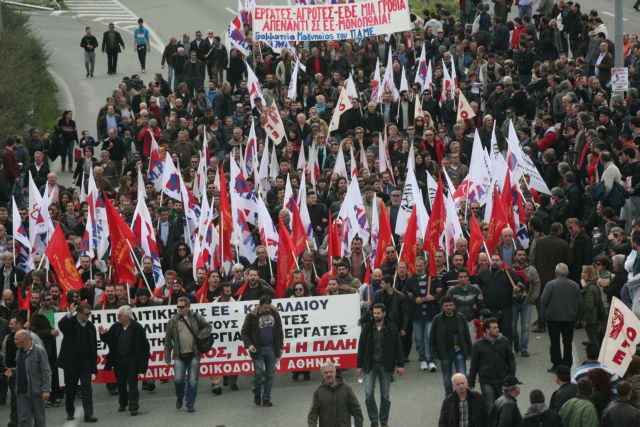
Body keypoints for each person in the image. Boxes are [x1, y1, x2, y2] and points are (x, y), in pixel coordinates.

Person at [357, 303, 405, 427]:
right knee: (368, 394)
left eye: (378, 313)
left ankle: (383, 420)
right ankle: (374, 420)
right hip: (370, 366)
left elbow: (398, 347)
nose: (376, 315)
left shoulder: (391, 328)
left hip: (386, 366)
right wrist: (359, 366)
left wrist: (400, 365)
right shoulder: (367, 327)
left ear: (384, 313)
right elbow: (361, 346)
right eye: (374, 313)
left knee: (385, 395)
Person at [98, 305, 150, 416]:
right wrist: (103, 334)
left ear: (126, 317)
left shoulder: (137, 327)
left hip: (132, 360)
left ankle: (134, 407)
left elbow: (144, 345)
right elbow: (108, 339)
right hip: (118, 361)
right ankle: (123, 403)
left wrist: (144, 360)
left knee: (133, 385)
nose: (118, 317)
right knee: (120, 384)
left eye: (119, 315)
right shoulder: (116, 326)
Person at [164, 296, 212, 413]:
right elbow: (168, 339)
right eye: (178, 307)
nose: (179, 309)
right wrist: (167, 355)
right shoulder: (173, 321)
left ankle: (190, 403)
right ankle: (180, 396)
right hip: (179, 356)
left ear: (188, 307)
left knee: (193, 381)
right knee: (178, 380)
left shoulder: (196, 317)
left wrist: (200, 335)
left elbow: (208, 327)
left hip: (194, 354)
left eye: (182, 307)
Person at [56, 302, 98, 423]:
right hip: (71, 362)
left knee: (87, 388)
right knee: (71, 389)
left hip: (85, 362)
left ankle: (89, 414)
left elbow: (93, 347)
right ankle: (70, 412)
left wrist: (93, 366)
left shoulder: (90, 326)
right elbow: (61, 325)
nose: (88, 316)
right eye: (86, 314)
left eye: (90, 313)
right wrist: (70, 313)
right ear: (79, 314)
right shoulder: (70, 323)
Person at [241, 295, 284, 407]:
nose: (267, 310)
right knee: (259, 373)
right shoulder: (251, 316)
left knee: (270, 375)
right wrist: (249, 345)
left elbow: (279, 330)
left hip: (271, 348)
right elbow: (244, 332)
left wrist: (280, 347)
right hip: (257, 349)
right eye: (265, 308)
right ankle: (256, 392)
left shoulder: (275, 313)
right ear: (260, 306)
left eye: (268, 307)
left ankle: (266, 398)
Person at [540, 263, 583, 371]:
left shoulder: (550, 285)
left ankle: (557, 364)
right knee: (567, 342)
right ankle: (567, 364)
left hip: (553, 318)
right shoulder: (575, 285)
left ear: (556, 273)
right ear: (567, 273)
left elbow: (543, 300)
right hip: (569, 318)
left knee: (554, 342)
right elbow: (580, 302)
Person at [468, 318, 516, 413]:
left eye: (497, 327)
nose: (497, 329)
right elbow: (474, 364)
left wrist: (511, 375)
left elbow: (511, 360)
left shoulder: (504, 341)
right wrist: (471, 381)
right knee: (489, 406)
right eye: (494, 328)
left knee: (504, 405)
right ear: (487, 330)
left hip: (502, 379)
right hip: (486, 381)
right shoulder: (478, 345)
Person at [430, 296, 473, 395]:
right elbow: (432, 338)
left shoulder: (461, 317)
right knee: (447, 380)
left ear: (454, 306)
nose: (448, 307)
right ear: (442, 307)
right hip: (445, 353)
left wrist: (470, 351)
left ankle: (463, 398)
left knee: (462, 378)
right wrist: (434, 355)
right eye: (446, 305)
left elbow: (467, 335)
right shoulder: (437, 319)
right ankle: (449, 400)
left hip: (459, 352)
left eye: (450, 305)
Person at [11, 329, 51, 427]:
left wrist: (46, 390)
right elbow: (21, 368)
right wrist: (13, 371)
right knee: (23, 420)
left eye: (16, 339)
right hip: (21, 393)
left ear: (25, 339)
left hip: (36, 392)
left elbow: (46, 371)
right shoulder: (18, 352)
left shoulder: (39, 351)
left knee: (39, 420)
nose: (14, 341)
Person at [307, 362, 364, 427]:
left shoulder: (346, 389)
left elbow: (356, 410)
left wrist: (358, 425)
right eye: (326, 372)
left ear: (335, 372)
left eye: (330, 372)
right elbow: (312, 414)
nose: (329, 374)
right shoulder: (318, 392)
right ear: (323, 374)